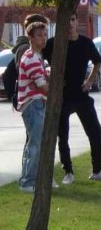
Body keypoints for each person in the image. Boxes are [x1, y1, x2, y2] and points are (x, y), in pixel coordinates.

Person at [45, 13, 101, 184]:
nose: (69, 23)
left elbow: (98, 61)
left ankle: (97, 170)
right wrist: (51, 79)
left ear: (76, 21)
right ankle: (68, 172)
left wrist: (90, 80)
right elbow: (41, 60)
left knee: (95, 131)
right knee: (63, 135)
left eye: (72, 19)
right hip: (62, 97)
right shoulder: (54, 43)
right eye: (66, 19)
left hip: (81, 94)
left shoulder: (85, 43)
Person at [16, 22, 51, 193]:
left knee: (33, 143)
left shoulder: (37, 57)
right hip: (33, 104)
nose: (43, 38)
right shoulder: (31, 58)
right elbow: (43, 86)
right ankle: (28, 181)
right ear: (31, 38)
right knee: (35, 144)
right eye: (39, 35)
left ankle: (28, 179)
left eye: (45, 35)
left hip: (34, 103)